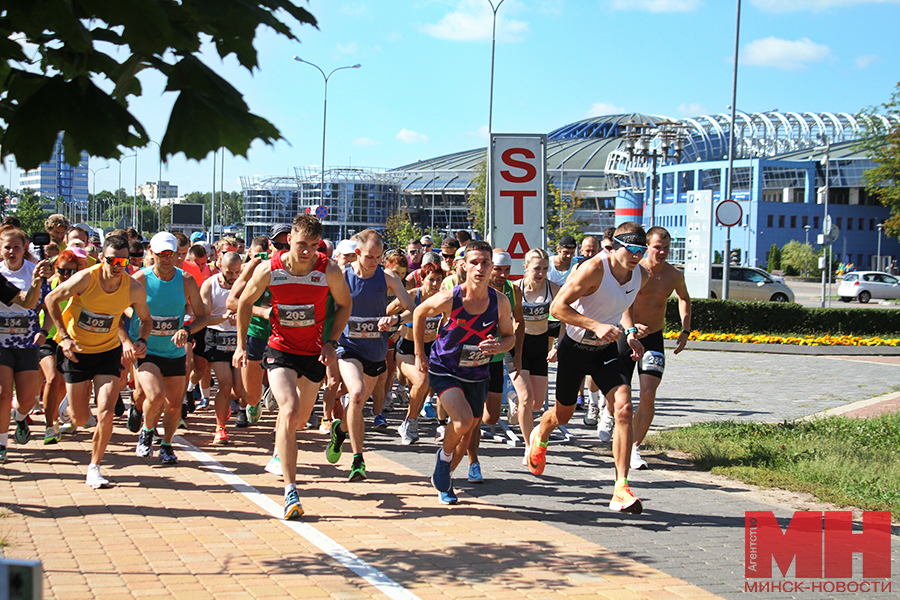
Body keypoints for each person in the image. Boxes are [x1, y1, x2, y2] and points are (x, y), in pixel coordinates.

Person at [233, 214, 352, 519]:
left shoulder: (328, 269)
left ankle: (280, 438)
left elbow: (345, 305)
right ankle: (291, 491)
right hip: (280, 349)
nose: (307, 251)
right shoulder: (269, 268)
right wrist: (242, 346)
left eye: (314, 245)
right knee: (290, 410)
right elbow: (243, 303)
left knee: (297, 421)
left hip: (314, 351)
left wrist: (332, 341)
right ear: (290, 239)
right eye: (302, 244)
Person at [529, 222, 650, 514]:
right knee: (563, 415)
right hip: (575, 350)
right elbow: (557, 308)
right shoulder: (594, 269)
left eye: (641, 250)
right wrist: (595, 325)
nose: (636, 256)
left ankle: (621, 487)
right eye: (631, 249)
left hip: (606, 351)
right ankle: (541, 433)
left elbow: (623, 304)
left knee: (623, 408)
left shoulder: (641, 275)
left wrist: (631, 332)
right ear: (616, 247)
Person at [46, 235, 152, 488]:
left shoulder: (132, 287)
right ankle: (69, 407)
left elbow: (146, 319)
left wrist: (141, 340)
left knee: (105, 412)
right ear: (102, 259)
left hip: (107, 352)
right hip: (77, 351)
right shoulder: (86, 278)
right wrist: (63, 336)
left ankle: (94, 467)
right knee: (81, 418)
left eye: (123, 261)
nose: (118, 266)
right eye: (113, 260)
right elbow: (51, 300)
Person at [413, 241, 515, 504]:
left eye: (485, 263)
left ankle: (445, 476)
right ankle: (444, 460)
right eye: (474, 262)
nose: (480, 268)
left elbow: (509, 338)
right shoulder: (451, 297)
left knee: (468, 433)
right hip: (445, 369)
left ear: (492, 266)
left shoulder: (500, 302)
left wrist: (498, 347)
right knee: (462, 421)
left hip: (478, 372)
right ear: (464, 266)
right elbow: (419, 313)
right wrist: (419, 353)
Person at [599, 227, 691, 471]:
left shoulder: (674, 275)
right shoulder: (635, 272)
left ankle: (633, 448)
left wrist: (685, 330)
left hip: (653, 339)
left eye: (666, 248)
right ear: (646, 247)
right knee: (620, 394)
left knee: (649, 392)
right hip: (626, 336)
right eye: (657, 247)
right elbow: (624, 302)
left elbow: (684, 298)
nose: (661, 252)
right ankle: (607, 413)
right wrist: (629, 331)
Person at [327, 229, 415, 482]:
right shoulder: (342, 276)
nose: (374, 262)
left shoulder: (386, 277)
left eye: (378, 257)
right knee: (354, 394)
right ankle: (358, 460)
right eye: (369, 257)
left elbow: (412, 309)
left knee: (358, 403)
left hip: (376, 350)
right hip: (347, 347)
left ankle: (340, 429)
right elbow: (326, 310)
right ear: (357, 253)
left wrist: (396, 319)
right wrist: (328, 342)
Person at [129, 232, 207, 465]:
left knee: (174, 405)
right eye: (161, 254)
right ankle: (147, 431)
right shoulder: (140, 279)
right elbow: (119, 308)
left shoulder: (186, 281)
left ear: (177, 255)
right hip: (146, 348)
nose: (166, 258)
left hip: (174, 350)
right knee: (155, 395)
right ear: (151, 253)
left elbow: (201, 317)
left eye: (170, 254)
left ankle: (166, 445)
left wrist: (187, 329)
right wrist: (139, 322)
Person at [465, 250, 523, 483]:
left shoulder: (510, 293)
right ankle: (473, 462)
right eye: (498, 269)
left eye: (506, 270)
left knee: (490, 417)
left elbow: (518, 323)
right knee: (474, 417)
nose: (501, 274)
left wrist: (515, 353)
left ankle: (463, 426)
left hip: (496, 359)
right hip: (469, 361)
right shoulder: (467, 291)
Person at [0, 227, 51, 461]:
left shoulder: (35, 271)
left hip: (28, 342)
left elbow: (48, 307)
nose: (12, 251)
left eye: (16, 247)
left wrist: (43, 330)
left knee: (27, 398)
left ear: (24, 249)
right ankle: (2, 443)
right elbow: (26, 300)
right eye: (7, 247)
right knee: (2, 394)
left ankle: (20, 417)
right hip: (1, 343)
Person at [511, 248, 560, 461]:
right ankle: (528, 446)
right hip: (519, 346)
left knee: (537, 404)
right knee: (526, 398)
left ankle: (515, 402)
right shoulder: (515, 289)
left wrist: (557, 345)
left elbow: (566, 317)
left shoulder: (554, 289)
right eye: (537, 268)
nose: (541, 273)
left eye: (545, 269)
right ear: (526, 267)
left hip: (540, 345)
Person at [392, 261, 443, 445]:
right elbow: (388, 312)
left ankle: (409, 421)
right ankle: (410, 421)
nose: (435, 285)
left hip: (431, 349)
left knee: (425, 387)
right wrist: (393, 325)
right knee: (421, 381)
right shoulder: (412, 296)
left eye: (439, 280)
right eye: (431, 280)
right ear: (422, 280)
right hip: (407, 348)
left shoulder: (443, 299)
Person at [37, 250, 84, 443]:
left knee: (64, 385)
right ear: (56, 269)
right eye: (63, 271)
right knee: (53, 378)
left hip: (71, 339)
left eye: (71, 272)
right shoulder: (48, 286)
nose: (67, 276)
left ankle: (55, 414)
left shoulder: (82, 287)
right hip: (47, 337)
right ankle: (49, 425)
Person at [199, 251, 244, 445]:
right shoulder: (210, 284)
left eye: (237, 272)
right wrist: (224, 317)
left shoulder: (244, 283)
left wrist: (240, 318)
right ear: (219, 265)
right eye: (229, 272)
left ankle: (222, 402)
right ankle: (220, 428)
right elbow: (204, 316)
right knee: (225, 384)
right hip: (216, 335)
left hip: (239, 338)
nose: (233, 276)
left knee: (241, 390)